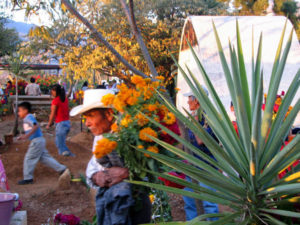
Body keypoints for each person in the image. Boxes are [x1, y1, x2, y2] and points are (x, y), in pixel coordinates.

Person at [70, 89, 151, 225]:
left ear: (108, 114)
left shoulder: (131, 133)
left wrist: (128, 172)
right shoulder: (101, 136)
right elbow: (92, 167)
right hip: (113, 203)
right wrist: (98, 176)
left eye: (91, 116)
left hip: (135, 206)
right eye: (86, 117)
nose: (87, 123)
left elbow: (150, 168)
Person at [182, 88, 219, 221]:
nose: (187, 102)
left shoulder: (210, 118)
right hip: (191, 166)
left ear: (197, 100)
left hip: (206, 167)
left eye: (190, 98)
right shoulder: (190, 118)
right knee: (190, 203)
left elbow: (200, 140)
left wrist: (195, 118)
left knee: (209, 204)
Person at [17, 102, 68, 185]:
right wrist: (24, 136)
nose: (18, 113)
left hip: (36, 141)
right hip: (39, 140)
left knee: (29, 158)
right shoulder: (27, 118)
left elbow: (36, 125)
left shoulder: (28, 117)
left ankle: (28, 178)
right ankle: (62, 169)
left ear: (25, 111)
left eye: (19, 111)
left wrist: (26, 136)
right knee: (45, 159)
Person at [47, 84, 74, 156]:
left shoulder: (55, 101)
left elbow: (52, 114)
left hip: (61, 124)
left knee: (60, 145)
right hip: (67, 123)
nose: (51, 92)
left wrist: (49, 124)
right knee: (59, 142)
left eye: (52, 90)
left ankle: (70, 158)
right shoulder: (65, 99)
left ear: (56, 91)